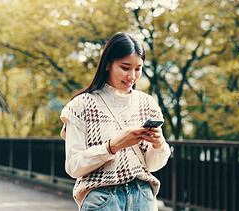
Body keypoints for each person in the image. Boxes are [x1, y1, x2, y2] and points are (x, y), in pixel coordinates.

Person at [60, 32, 171, 210]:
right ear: (107, 64)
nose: (132, 76)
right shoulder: (81, 105)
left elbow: (153, 165)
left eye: (138, 68)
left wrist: (158, 143)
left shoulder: (148, 104)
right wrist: (112, 146)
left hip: (143, 195)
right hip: (103, 198)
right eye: (125, 67)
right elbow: (73, 166)